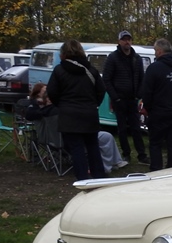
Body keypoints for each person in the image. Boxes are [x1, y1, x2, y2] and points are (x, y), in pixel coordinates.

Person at [46, 40, 107, 181]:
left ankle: (83, 178)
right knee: (93, 146)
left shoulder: (59, 70)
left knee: (76, 148)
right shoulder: (91, 70)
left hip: (69, 114)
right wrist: (94, 104)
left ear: (63, 53)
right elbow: (101, 90)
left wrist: (61, 105)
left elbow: (52, 91)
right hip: (89, 113)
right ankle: (99, 175)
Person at [142, 38, 172, 171]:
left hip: (159, 113)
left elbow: (147, 92)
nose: (155, 53)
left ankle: (156, 170)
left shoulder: (154, 68)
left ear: (159, 51)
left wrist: (149, 109)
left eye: (155, 50)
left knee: (155, 143)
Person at [102, 31, 147, 164]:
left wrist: (139, 95)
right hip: (119, 99)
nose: (127, 42)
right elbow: (106, 79)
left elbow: (142, 78)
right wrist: (115, 97)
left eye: (129, 39)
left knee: (136, 128)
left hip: (133, 99)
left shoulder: (136, 58)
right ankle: (126, 154)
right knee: (122, 129)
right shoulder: (113, 58)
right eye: (124, 39)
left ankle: (142, 155)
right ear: (119, 41)